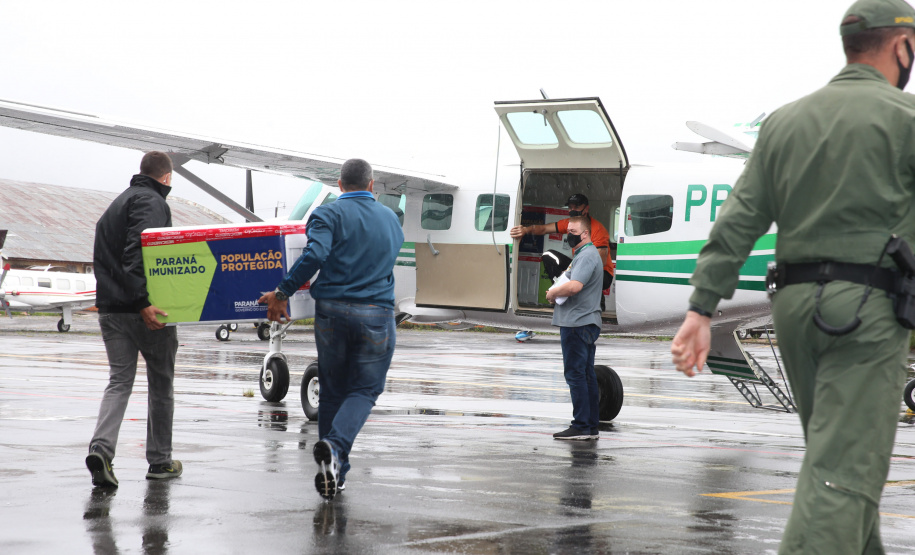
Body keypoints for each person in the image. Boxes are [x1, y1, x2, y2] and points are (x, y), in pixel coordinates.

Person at [670, 1, 915, 552]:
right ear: (902, 47)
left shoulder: (784, 122)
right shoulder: (905, 120)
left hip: (794, 310)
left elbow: (738, 221)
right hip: (867, 314)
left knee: (839, 463)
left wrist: (701, 308)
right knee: (843, 474)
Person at [259, 158, 403, 501]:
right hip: (376, 314)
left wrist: (282, 292)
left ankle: (336, 468)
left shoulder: (326, 214)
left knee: (333, 391)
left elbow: (316, 254)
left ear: (340, 185)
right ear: (372, 186)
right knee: (365, 390)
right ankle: (336, 451)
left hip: (333, 314)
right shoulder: (391, 220)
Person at [86, 151, 182, 488]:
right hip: (144, 311)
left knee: (119, 381)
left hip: (110, 310)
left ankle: (101, 449)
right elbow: (138, 250)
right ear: (166, 177)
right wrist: (143, 302)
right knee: (160, 384)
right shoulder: (150, 202)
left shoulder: (116, 204)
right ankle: (160, 462)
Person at [510, 193, 614, 341]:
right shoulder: (570, 223)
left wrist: (573, 271)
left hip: (602, 274)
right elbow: (544, 229)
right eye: (570, 207)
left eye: (576, 206)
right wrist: (526, 230)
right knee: (549, 256)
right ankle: (562, 291)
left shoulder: (598, 229)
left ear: (586, 209)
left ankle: (595, 299)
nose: (572, 210)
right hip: (579, 266)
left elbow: (599, 261)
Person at [545, 216, 604, 440]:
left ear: (585, 233)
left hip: (577, 323)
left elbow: (575, 286)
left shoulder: (587, 255)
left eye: (573, 230)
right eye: (567, 230)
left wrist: (552, 293)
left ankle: (581, 426)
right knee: (586, 375)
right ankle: (589, 426)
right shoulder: (583, 255)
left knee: (576, 374)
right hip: (583, 322)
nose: (568, 234)